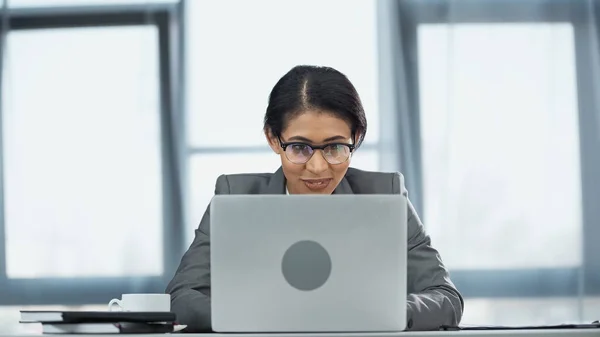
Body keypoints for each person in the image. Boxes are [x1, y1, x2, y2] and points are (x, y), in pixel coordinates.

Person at [166, 65, 463, 332]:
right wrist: (252, 316)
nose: (318, 167)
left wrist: (385, 314)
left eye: (335, 148)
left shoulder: (386, 195)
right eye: (299, 147)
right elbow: (181, 297)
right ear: (273, 139)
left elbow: (445, 297)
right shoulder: (234, 197)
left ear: (356, 137)